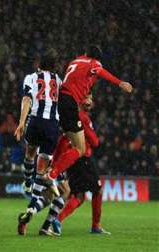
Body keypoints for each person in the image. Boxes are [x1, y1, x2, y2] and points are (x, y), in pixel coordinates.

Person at [43, 45, 133, 190]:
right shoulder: (94, 63)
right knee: (80, 148)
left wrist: (84, 96)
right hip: (70, 103)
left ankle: (52, 168)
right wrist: (120, 83)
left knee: (67, 138)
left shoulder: (76, 61)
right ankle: (52, 174)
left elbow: (78, 82)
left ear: (85, 53)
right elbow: (100, 71)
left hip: (60, 101)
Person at [14, 49, 67, 235]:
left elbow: (27, 99)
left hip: (35, 121)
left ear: (39, 64)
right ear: (54, 66)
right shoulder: (59, 81)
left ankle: (27, 182)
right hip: (52, 125)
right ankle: (32, 204)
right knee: (42, 168)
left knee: (30, 152)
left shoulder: (30, 77)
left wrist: (21, 123)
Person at [52, 94, 111, 235]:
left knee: (79, 196)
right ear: (81, 101)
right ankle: (95, 226)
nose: (90, 101)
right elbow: (95, 142)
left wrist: (56, 160)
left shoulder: (70, 116)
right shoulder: (82, 117)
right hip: (84, 158)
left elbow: (63, 140)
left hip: (72, 159)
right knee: (98, 190)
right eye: (87, 98)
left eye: (91, 98)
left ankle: (58, 220)